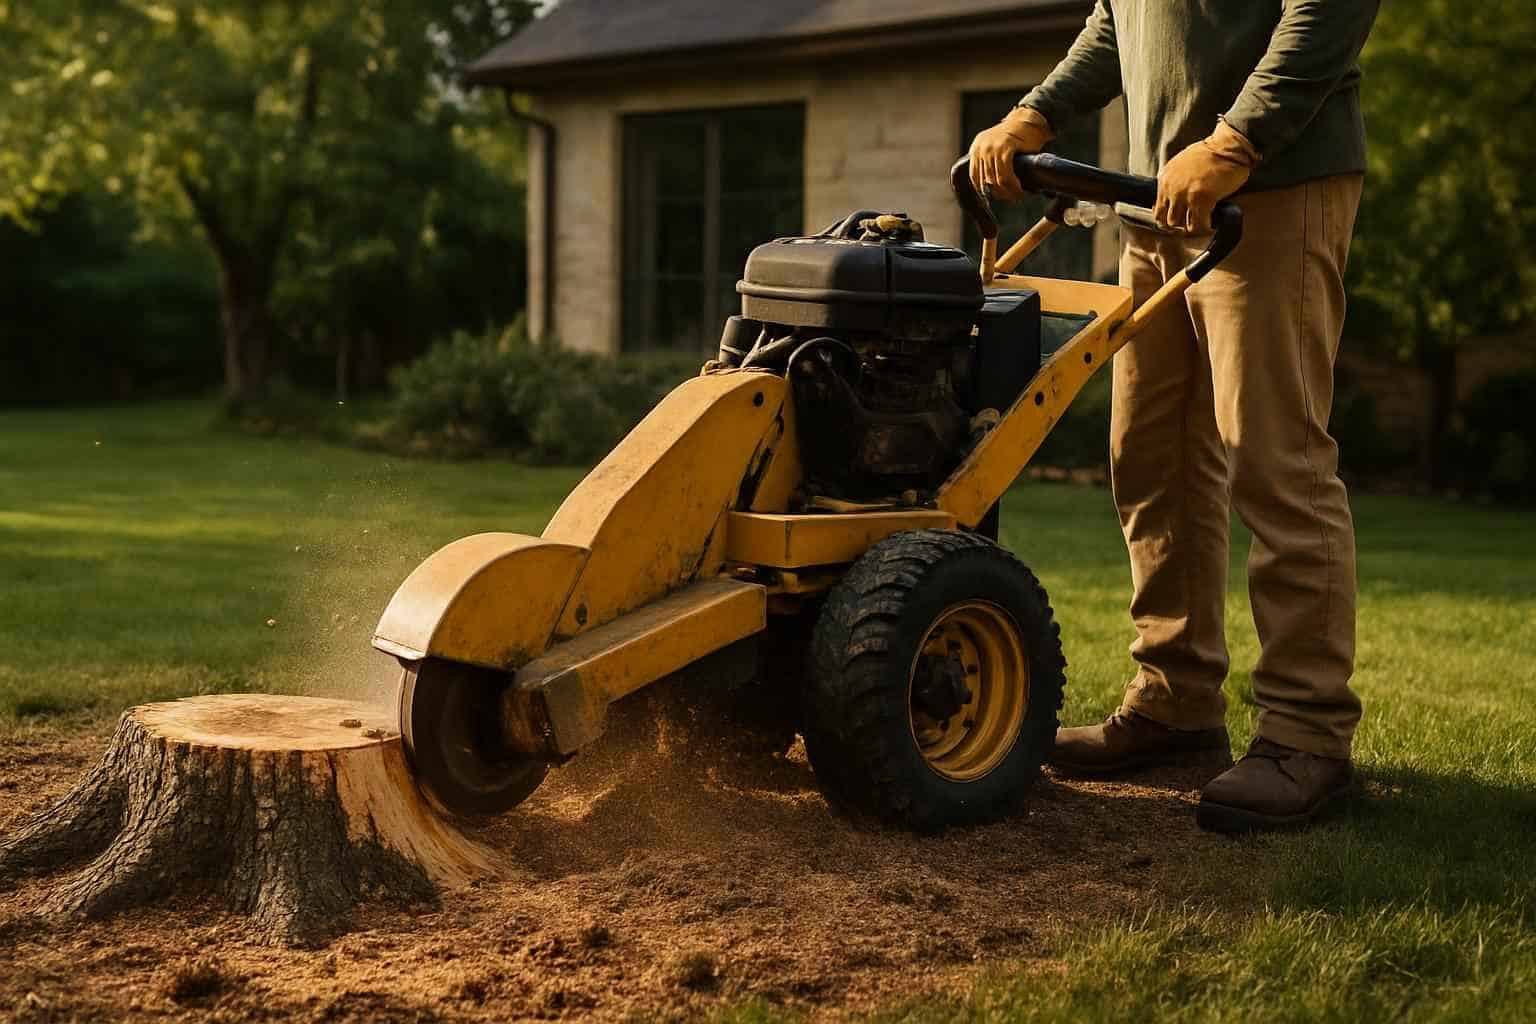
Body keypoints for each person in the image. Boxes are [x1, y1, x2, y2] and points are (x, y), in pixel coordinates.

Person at [967, 0, 1381, 833]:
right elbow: (1118, 25)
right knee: (1150, 458)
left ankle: (1306, 735)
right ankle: (1176, 698)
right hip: (1153, 203)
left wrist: (1235, 143)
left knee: (1276, 460)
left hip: (1270, 187)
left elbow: (1325, 13)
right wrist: (1032, 113)